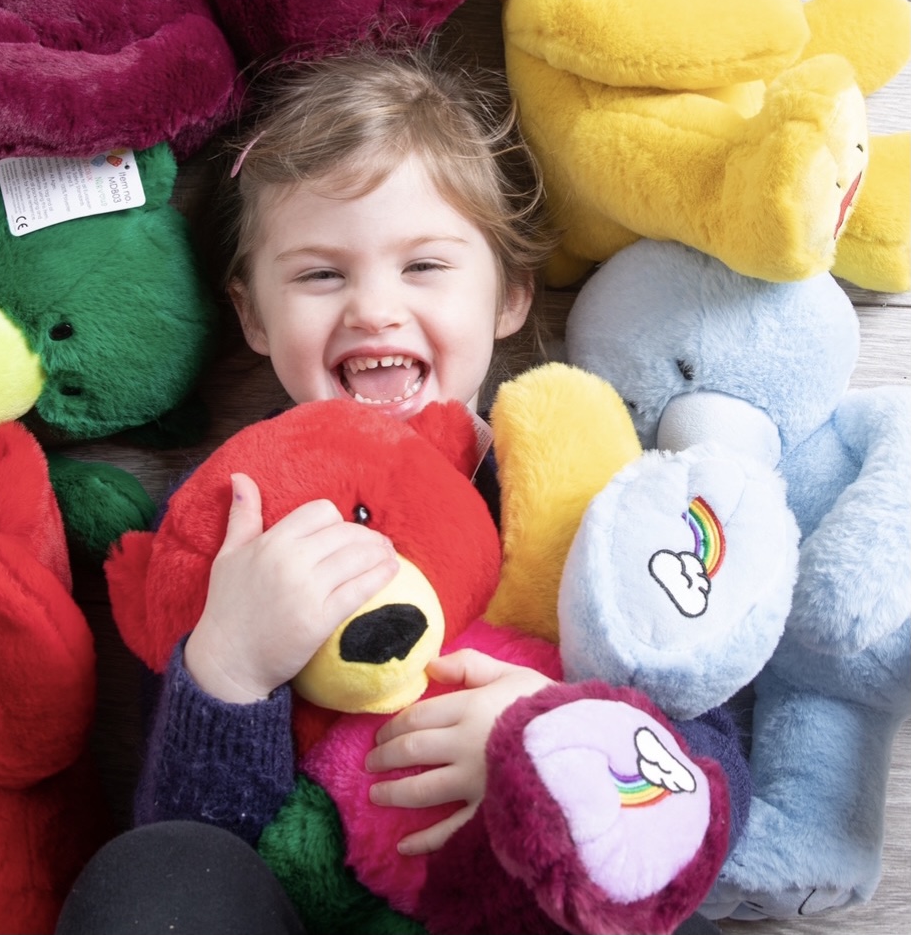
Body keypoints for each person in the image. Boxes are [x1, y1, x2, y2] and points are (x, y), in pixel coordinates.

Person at [55, 47, 728, 935]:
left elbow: (716, 772)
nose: (374, 308)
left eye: (423, 267)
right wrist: (228, 671)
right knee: (152, 880)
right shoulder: (225, 517)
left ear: (510, 296)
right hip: (310, 907)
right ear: (253, 314)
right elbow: (196, 845)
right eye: (319, 274)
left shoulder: (591, 489)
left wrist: (560, 746)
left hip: (517, 903)